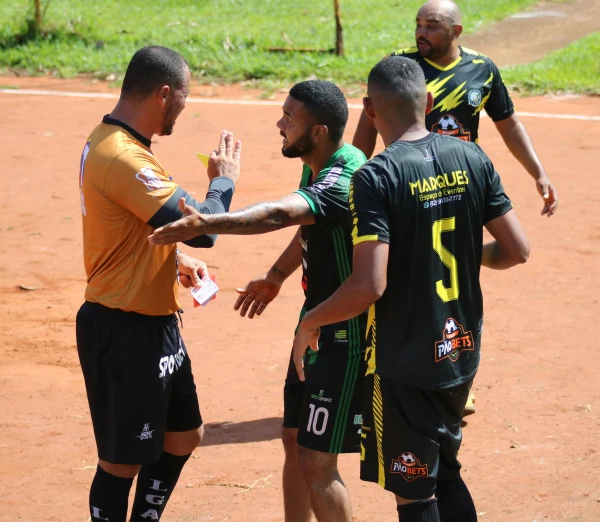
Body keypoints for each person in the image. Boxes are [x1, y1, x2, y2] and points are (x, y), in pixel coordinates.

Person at [293, 56, 529, 522]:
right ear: (431, 100)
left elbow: (368, 285)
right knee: (446, 473)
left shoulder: (375, 177)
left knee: (415, 493)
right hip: (460, 347)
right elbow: (516, 250)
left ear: (369, 109)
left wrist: (311, 320)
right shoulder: (472, 156)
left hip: (403, 360)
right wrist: (461, 249)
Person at [148, 80, 368, 522]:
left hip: (344, 330)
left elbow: (281, 213)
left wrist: (210, 221)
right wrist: (276, 275)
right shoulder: (317, 163)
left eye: (290, 118)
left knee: (317, 459)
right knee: (293, 437)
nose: (279, 124)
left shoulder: (344, 175)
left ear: (319, 131)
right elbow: (311, 225)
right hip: (315, 323)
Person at [75, 45, 242, 522]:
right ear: (164, 94)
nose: (183, 110)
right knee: (121, 462)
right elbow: (205, 226)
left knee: (183, 437)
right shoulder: (122, 156)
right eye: (184, 100)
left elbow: (130, 230)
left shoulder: (118, 141)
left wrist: (173, 260)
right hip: (121, 328)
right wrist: (223, 183)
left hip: (155, 320)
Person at [352, 0, 558, 219]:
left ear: (455, 31)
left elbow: (509, 126)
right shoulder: (399, 66)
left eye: (431, 26)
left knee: (469, 247)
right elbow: (369, 121)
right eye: (418, 25)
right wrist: (352, 176)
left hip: (462, 178)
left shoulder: (482, 69)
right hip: (412, 178)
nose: (421, 33)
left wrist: (539, 174)